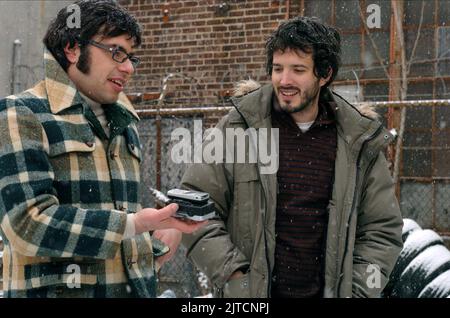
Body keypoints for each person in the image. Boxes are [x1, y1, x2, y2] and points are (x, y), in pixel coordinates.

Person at [180, 16, 403, 298]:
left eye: (298, 69)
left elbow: (381, 231)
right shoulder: (239, 127)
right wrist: (235, 277)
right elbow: (193, 206)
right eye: (277, 69)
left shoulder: (357, 140)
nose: (284, 80)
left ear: (324, 75)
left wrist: (358, 292)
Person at [0, 0, 204, 298]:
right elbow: (27, 225)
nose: (129, 67)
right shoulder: (21, 115)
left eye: (132, 57)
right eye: (116, 52)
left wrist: (157, 238)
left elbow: (118, 226)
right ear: (72, 48)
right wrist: (135, 224)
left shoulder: (124, 123)